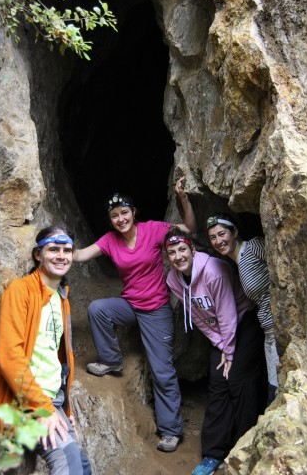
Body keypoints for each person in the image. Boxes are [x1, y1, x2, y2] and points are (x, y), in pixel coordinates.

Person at [72, 178, 197, 452]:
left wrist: (183, 199)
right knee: (98, 310)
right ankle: (111, 361)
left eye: (124, 213)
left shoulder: (153, 230)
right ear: (110, 220)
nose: (120, 219)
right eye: (115, 216)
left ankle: (170, 431)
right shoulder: (109, 240)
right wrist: (57, 248)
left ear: (133, 212)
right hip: (130, 305)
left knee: (162, 372)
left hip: (156, 310)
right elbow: (81, 255)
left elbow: (188, 229)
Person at [0, 224, 92, 474]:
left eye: (67, 250)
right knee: (68, 464)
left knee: (82, 465)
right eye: (53, 249)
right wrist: (42, 408)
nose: (61, 256)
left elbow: (56, 357)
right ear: (37, 255)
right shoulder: (20, 291)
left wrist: (65, 410)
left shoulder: (61, 297)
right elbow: (10, 355)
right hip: (25, 400)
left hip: (51, 401)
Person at [163, 227, 267, 475]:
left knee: (240, 382)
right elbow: (197, 317)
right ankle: (213, 453)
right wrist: (220, 345)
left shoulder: (214, 272)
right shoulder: (173, 280)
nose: (178, 256)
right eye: (172, 252)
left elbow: (228, 313)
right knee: (218, 384)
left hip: (244, 321)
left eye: (182, 249)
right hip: (220, 335)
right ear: (167, 257)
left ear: (192, 249)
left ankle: (245, 448)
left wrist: (229, 353)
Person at [206, 213, 279, 404]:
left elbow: (283, 264)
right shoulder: (237, 263)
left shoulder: (253, 247)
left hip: (279, 329)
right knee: (274, 389)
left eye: (222, 234)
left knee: (278, 389)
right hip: (269, 331)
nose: (218, 241)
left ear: (235, 232)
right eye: (213, 237)